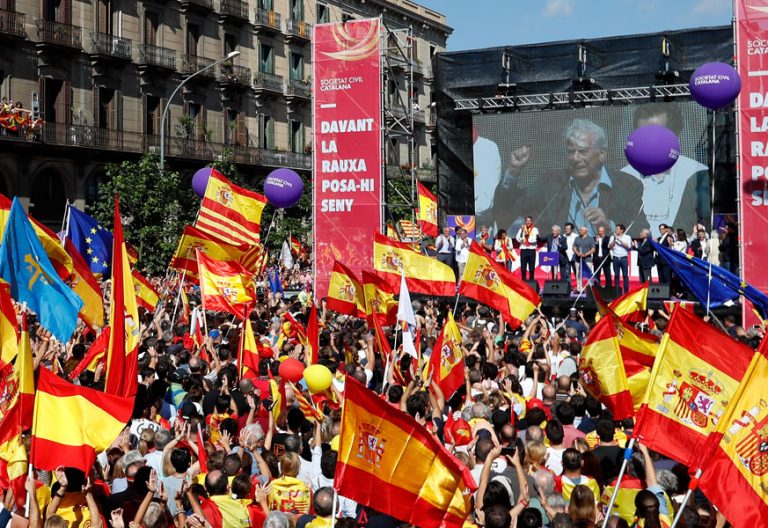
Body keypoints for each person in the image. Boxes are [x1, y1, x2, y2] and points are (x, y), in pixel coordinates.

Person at [488, 119, 649, 237]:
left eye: (583, 151)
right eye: (571, 151)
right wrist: (513, 171)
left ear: (602, 154)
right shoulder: (551, 181)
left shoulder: (627, 185)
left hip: (606, 264)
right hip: (560, 266)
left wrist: (610, 226)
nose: (575, 158)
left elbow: (642, 231)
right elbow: (508, 209)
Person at [621, 103, 709, 235]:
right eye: (643, 135)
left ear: (677, 133)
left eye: (658, 134)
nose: (650, 141)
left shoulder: (697, 173)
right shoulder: (624, 176)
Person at [608, 224, 632, 294]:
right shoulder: (612, 237)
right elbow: (610, 246)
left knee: (625, 275)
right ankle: (617, 290)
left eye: (617, 229)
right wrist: (614, 240)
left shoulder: (627, 237)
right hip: (615, 258)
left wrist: (619, 240)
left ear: (622, 230)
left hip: (623, 258)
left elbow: (628, 246)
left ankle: (626, 291)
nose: (616, 230)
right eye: (616, 229)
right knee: (616, 275)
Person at [516, 216, 539, 282]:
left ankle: (531, 282)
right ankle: (523, 281)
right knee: (523, 268)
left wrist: (526, 236)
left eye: (529, 221)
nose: (528, 222)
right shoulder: (522, 228)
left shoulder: (535, 229)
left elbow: (534, 239)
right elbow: (517, 238)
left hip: (531, 250)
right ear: (525, 222)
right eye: (527, 221)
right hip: (524, 250)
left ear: (531, 222)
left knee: (531, 268)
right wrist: (521, 238)